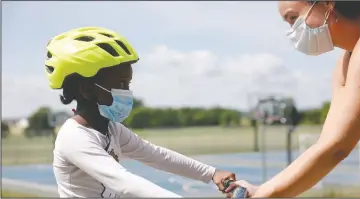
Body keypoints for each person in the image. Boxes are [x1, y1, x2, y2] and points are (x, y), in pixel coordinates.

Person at [45, 27, 235, 198]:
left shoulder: (111, 129)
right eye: (120, 84)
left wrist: (212, 173)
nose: (126, 92)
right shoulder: (74, 137)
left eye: (127, 84)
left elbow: (156, 155)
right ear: (86, 88)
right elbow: (124, 183)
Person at [225, 1, 360, 197]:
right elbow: (328, 144)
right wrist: (261, 191)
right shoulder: (345, 65)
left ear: (328, 4)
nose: (292, 31)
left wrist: (264, 194)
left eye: (293, 18)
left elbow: (337, 148)